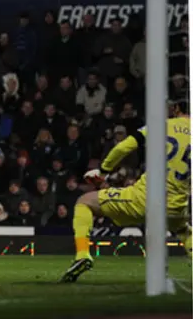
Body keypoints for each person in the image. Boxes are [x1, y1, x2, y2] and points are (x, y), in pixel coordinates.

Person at [61, 100, 192, 283]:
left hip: (143, 199)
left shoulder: (161, 126)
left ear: (176, 109)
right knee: (184, 230)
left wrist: (104, 170)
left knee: (84, 201)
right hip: (176, 207)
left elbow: (124, 147)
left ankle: (83, 255)